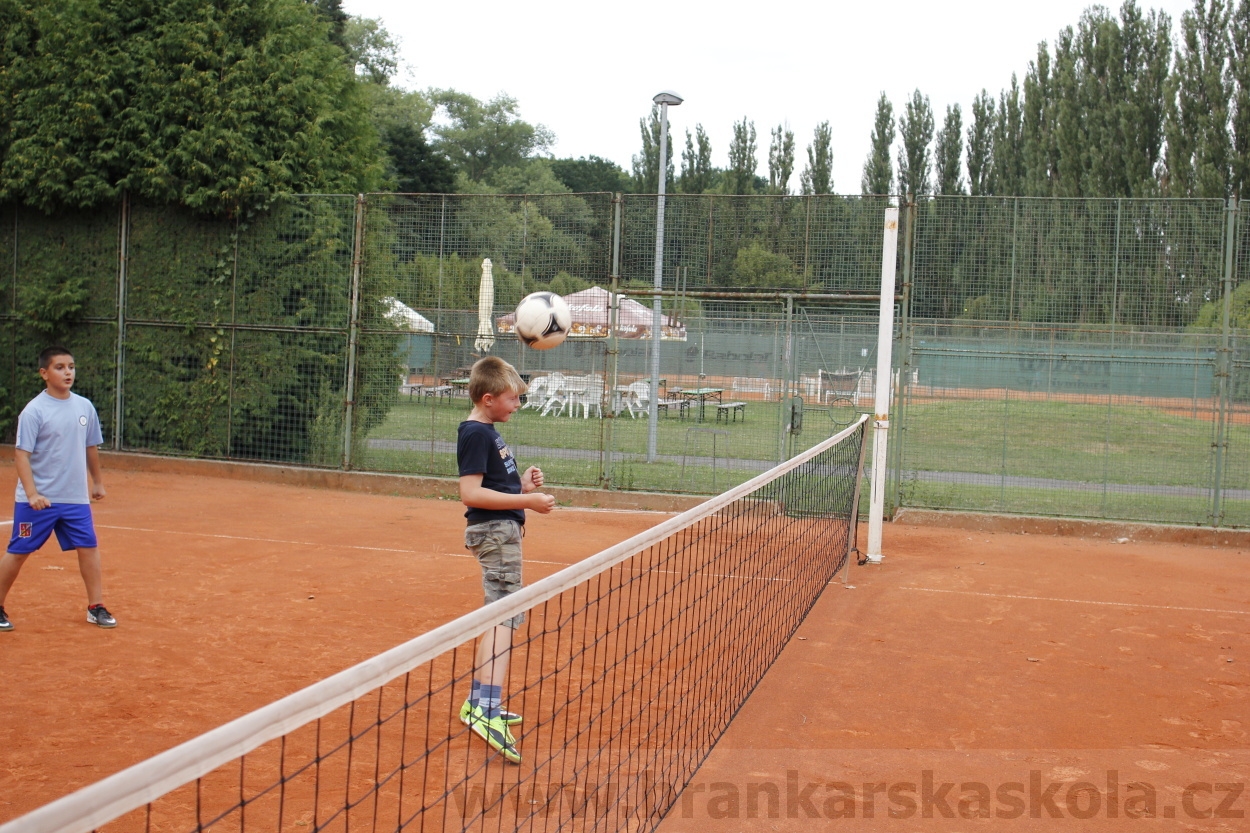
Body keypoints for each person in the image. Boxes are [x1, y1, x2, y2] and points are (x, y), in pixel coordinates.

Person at [455, 356, 554, 763]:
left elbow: (495, 487)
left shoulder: (488, 431)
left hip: (502, 532)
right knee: (504, 616)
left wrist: (521, 485)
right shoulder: (476, 433)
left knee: (497, 614)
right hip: (496, 535)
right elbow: (471, 494)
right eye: (513, 399)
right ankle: (487, 712)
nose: (517, 406)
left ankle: (478, 703)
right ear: (489, 397)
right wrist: (526, 499)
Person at [0, 346, 114, 632]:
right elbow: (21, 455)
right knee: (18, 550)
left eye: (71, 367)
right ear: (44, 373)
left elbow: (91, 447)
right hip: (37, 501)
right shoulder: (34, 411)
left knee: (88, 547)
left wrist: (97, 481)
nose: (68, 372)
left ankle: (95, 606)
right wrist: (32, 493)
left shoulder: (84, 406)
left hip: (75, 499)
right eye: (60, 367)